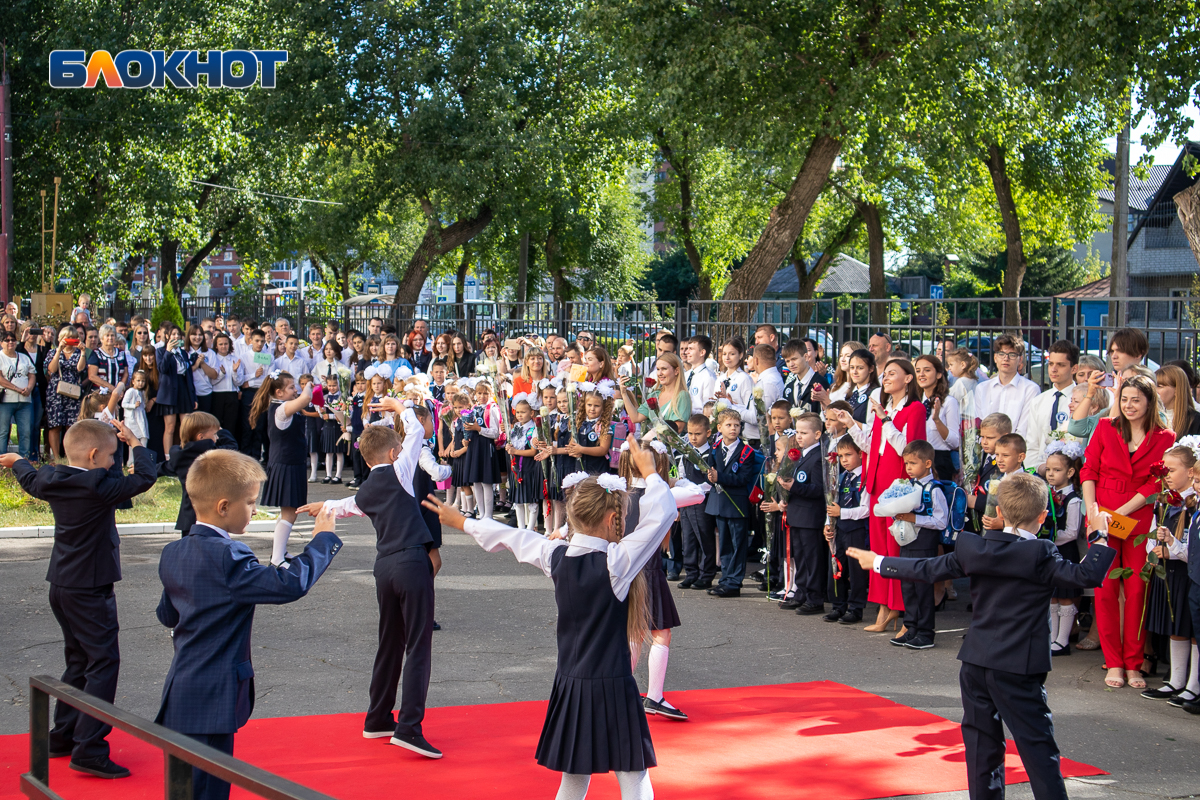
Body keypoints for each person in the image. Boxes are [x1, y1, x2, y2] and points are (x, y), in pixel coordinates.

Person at [421, 438, 679, 799]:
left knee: (573, 777)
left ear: (571, 515)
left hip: (572, 683)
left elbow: (513, 537)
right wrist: (650, 473)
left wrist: (464, 521)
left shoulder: (556, 555)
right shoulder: (616, 563)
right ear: (612, 518)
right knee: (633, 776)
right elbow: (662, 513)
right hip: (613, 684)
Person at [847, 472, 1116, 800]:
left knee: (981, 746)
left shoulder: (973, 546)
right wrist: (1100, 536)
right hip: (1018, 666)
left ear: (999, 512)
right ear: (1043, 516)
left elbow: (928, 569)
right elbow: (1086, 574)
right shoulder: (1041, 553)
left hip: (975, 662)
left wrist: (878, 562)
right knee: (1037, 748)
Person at [156, 450, 342, 800]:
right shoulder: (230, 555)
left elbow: (168, 614)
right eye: (251, 502)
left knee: (183, 788)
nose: (254, 510)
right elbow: (289, 585)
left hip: (182, 687)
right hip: (213, 694)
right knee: (208, 789)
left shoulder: (173, 551)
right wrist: (323, 539)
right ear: (224, 506)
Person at [3, 418, 155, 778]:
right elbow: (145, 479)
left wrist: (15, 461)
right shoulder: (99, 485)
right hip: (90, 587)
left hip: (61, 584)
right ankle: (89, 748)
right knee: (102, 664)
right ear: (93, 456)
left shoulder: (50, 479)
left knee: (78, 661)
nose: (113, 462)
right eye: (111, 456)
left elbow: (28, 476)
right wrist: (136, 442)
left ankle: (63, 736)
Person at [300, 408, 445, 757]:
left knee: (390, 643)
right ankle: (409, 727)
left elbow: (348, 505)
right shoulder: (401, 470)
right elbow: (416, 434)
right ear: (395, 454)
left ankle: (378, 717)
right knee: (418, 647)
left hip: (384, 567)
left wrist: (326, 503)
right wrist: (401, 409)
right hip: (411, 561)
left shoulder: (367, 489)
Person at [1080, 374, 1176, 689]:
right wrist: (1093, 511)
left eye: (1136, 399)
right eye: (1124, 399)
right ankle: (1115, 663)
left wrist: (1120, 512)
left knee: (1137, 590)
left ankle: (1134, 663)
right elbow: (1089, 469)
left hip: (1138, 517)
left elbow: (1155, 483)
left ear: (1149, 402)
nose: (1129, 405)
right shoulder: (1106, 427)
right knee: (1105, 588)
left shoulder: (1165, 437)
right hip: (1101, 514)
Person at [829, 358, 927, 633]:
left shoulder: (915, 408)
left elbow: (909, 449)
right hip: (876, 481)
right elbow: (871, 446)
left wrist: (886, 420)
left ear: (908, 379)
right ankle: (884, 606)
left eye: (892, 373)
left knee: (897, 548)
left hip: (897, 483)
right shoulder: (884, 408)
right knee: (880, 549)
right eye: (885, 374)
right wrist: (851, 424)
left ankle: (903, 610)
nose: (885, 378)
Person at [884, 440, 949, 650]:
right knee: (908, 587)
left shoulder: (934, 489)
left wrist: (914, 518)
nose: (908, 468)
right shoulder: (907, 485)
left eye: (913, 463)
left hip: (924, 544)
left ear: (928, 463)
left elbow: (940, 521)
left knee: (923, 589)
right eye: (906, 463)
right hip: (907, 542)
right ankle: (910, 627)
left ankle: (926, 632)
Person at [250, 370, 314, 566]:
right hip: (286, 464)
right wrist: (310, 385)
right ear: (278, 392)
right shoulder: (281, 408)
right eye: (291, 387)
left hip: (290, 462)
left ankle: (280, 552)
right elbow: (305, 399)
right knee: (290, 511)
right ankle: (277, 558)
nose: (296, 390)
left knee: (288, 510)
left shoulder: (282, 406)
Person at [776, 412, 827, 615]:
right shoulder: (799, 455)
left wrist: (794, 487)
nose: (799, 436)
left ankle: (815, 598)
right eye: (797, 431)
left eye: (804, 433)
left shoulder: (818, 457)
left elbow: (818, 489)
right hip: (797, 514)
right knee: (801, 558)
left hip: (810, 517)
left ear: (817, 434)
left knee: (812, 559)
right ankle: (801, 593)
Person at [705, 409, 758, 597]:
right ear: (720, 428)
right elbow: (709, 469)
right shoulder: (715, 447)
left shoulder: (746, 451)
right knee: (725, 543)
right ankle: (725, 579)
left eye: (737, 425)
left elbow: (743, 479)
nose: (733, 428)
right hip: (720, 502)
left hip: (737, 504)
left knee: (738, 544)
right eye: (729, 425)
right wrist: (711, 476)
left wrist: (721, 477)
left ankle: (735, 582)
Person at [1041, 440, 1085, 656]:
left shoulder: (1073, 500)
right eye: (1048, 469)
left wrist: (1048, 538)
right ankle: (1052, 637)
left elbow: (1071, 532)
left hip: (1065, 552)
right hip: (1051, 552)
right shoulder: (1048, 494)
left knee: (1066, 597)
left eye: (1056, 470)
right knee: (1053, 596)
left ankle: (1063, 640)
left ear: (1070, 472)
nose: (1050, 474)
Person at [163, 412, 239, 536]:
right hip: (212, 516)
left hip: (188, 516)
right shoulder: (213, 454)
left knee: (190, 551)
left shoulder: (179, 456)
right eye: (214, 434)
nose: (217, 437)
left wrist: (142, 466)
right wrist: (222, 431)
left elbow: (164, 467)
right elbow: (232, 447)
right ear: (201, 437)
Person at [824, 434, 870, 624]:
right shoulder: (840, 477)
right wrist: (828, 524)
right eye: (841, 456)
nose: (844, 460)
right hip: (840, 529)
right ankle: (838, 606)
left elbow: (866, 510)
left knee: (857, 571)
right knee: (837, 567)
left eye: (848, 455)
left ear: (860, 454)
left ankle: (856, 608)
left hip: (857, 530)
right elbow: (831, 503)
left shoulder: (865, 478)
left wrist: (842, 513)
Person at [1024, 340, 1080, 471]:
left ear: (1074, 368)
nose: (1054, 369)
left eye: (1060, 365)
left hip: (1073, 473)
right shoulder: (1038, 401)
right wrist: (1036, 470)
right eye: (1051, 364)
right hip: (1041, 471)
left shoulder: (1083, 401)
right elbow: (1032, 443)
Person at [678, 414, 718, 590]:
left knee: (704, 537)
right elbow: (682, 474)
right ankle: (691, 573)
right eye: (690, 433)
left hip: (702, 501)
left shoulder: (711, 454)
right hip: (687, 500)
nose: (693, 438)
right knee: (688, 539)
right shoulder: (687, 453)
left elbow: (710, 482)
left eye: (698, 434)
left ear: (708, 433)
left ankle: (706, 574)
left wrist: (695, 490)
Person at [973, 334, 1039, 435]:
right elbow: (979, 424)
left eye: (1012, 354)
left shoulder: (1030, 389)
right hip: (987, 448)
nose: (1006, 358)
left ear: (1020, 359)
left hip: (1015, 447)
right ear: (995, 358)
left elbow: (1024, 428)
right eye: (1001, 354)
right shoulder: (982, 388)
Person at [914, 355, 960, 481]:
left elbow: (955, 442)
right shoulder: (914, 402)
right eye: (918, 371)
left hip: (939, 461)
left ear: (939, 374)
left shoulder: (949, 402)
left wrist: (937, 420)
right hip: (915, 459)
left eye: (927, 370)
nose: (921, 374)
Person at [45, 328, 87, 459]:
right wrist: (59, 350)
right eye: (67, 338)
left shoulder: (78, 353)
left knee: (71, 426)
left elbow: (80, 369)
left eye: (73, 338)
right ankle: (57, 457)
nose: (70, 341)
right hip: (56, 393)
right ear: (60, 338)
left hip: (73, 392)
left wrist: (83, 352)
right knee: (55, 425)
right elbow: (52, 369)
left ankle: (70, 457)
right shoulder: (52, 352)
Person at [0, 331, 36, 458]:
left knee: (25, 431)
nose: (10, 342)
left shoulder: (24, 357)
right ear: (1, 343)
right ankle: (2, 460)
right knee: (3, 431)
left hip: (25, 400)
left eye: (13, 340)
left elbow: (32, 374)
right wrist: (16, 388)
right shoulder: (0, 357)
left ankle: (24, 459)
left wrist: (29, 388)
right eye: (7, 340)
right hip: (6, 400)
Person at [1157, 365, 1200, 438]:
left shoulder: (1196, 421)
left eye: (1159, 386)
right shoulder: (1152, 417)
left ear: (1177, 390)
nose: (1154, 390)